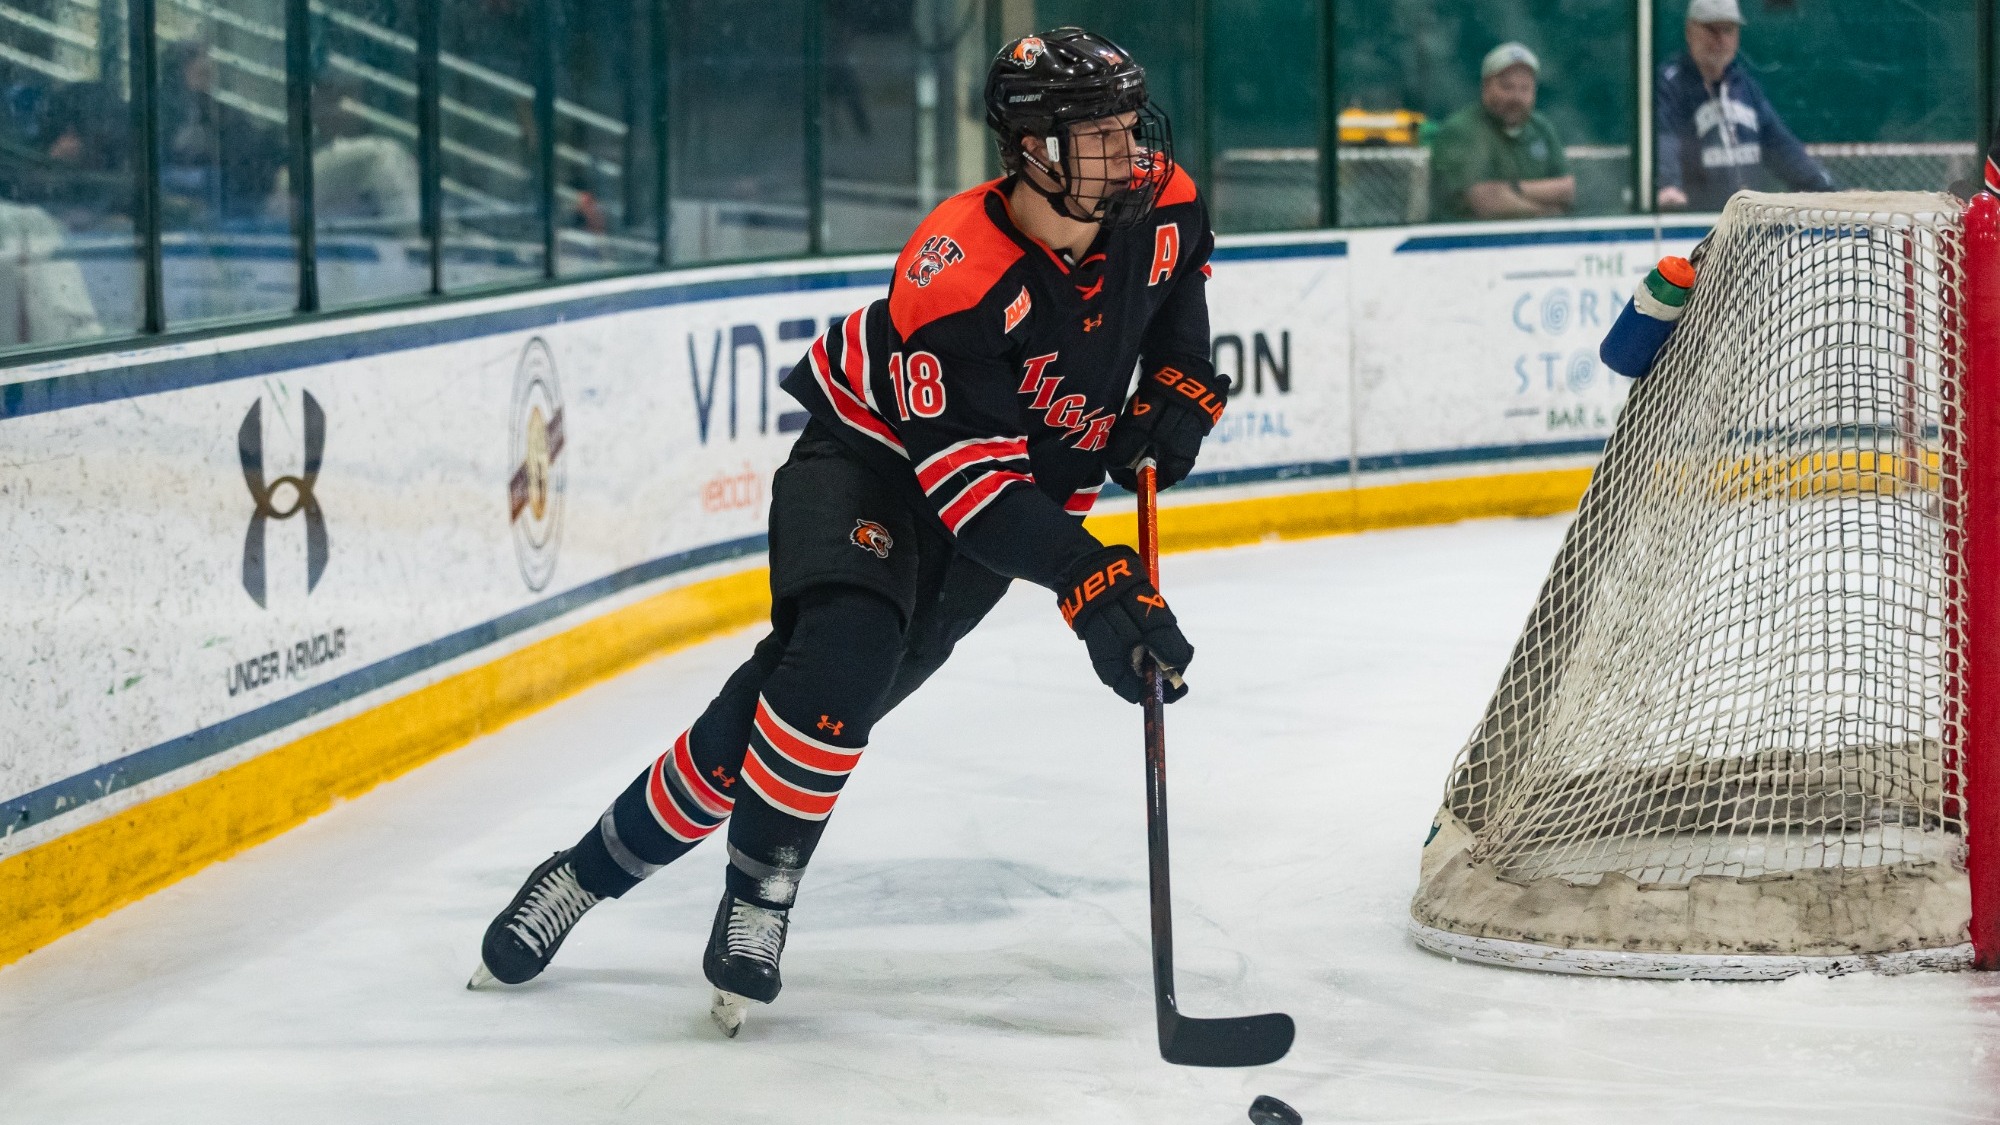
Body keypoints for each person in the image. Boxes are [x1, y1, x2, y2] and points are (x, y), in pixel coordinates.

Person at [469, 27, 1228, 1035]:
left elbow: (1173, 312)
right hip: (873, 463)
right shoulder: (957, 269)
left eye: (1129, 126)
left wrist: (1175, 393)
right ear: (1031, 148)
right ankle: (760, 893)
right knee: (843, 655)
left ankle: (586, 871)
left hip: (1013, 501)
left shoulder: (1161, 202)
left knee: (802, 712)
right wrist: (1090, 584)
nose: (1126, 150)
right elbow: (970, 496)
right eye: (1097, 134)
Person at [1656, 0, 1833, 211]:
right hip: (1694, 224)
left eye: (1728, 30)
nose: (1721, 39)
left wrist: (1825, 189)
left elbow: (1779, 144)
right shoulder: (1670, 84)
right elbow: (1665, 138)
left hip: (1743, 225)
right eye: (1711, 30)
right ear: (1690, 32)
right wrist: (1669, 185)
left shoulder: (1744, 86)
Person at [1428, 43, 1574, 222]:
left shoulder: (1540, 127)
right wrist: (1543, 214)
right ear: (1486, 86)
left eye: (1525, 88)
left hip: (1536, 242)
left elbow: (1566, 189)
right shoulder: (1460, 130)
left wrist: (1513, 189)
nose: (1516, 97)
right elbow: (1484, 200)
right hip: (1469, 243)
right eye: (1507, 87)